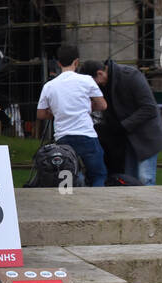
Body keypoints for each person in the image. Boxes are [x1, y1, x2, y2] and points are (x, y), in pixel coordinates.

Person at [35, 45, 108, 187]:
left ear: (59, 63)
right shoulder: (87, 80)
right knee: (98, 174)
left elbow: (41, 114)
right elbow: (103, 105)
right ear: (77, 62)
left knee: (67, 172)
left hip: (63, 137)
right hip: (86, 135)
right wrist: (88, 108)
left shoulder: (49, 86)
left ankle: (72, 199)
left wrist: (57, 113)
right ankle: (97, 203)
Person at [90, 59, 162, 185]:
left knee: (145, 178)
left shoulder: (131, 76)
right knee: (128, 179)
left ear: (100, 74)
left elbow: (149, 108)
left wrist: (123, 126)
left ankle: (147, 204)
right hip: (128, 138)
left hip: (146, 137)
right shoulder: (106, 84)